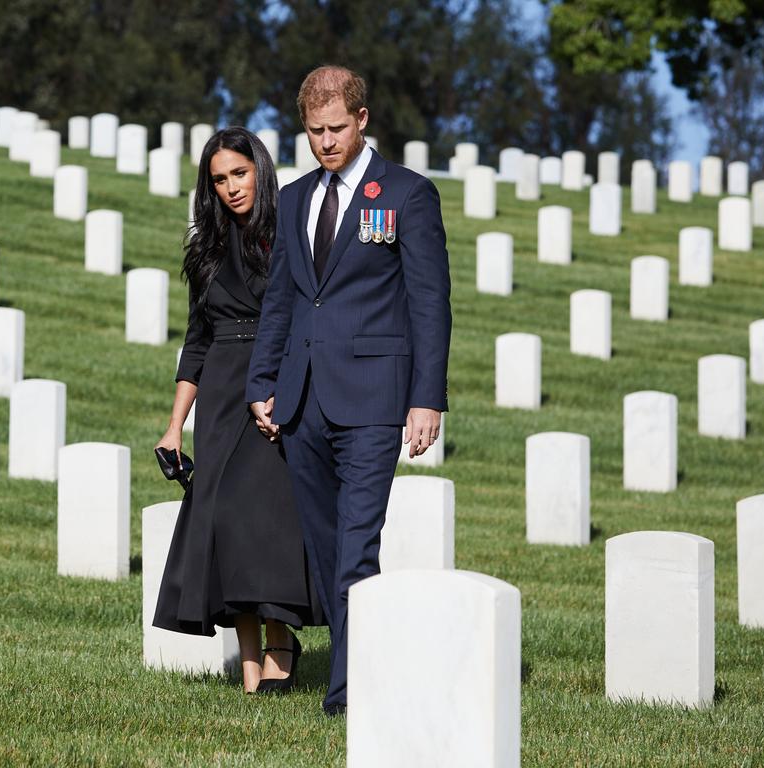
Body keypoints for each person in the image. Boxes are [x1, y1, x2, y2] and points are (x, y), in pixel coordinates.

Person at [246, 66, 452, 716]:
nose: (326, 142)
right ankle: (368, 665)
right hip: (302, 400)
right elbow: (281, 297)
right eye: (314, 132)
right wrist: (263, 381)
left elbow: (429, 300)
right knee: (328, 547)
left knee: (357, 545)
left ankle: (349, 693)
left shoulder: (407, 195)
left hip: (373, 400)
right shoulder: (299, 196)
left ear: (362, 120)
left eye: (337, 128)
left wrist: (428, 398)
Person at [153, 126, 323, 695]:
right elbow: (196, 341)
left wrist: (284, 384)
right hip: (222, 392)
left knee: (263, 522)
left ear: (261, 171)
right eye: (219, 179)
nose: (230, 187)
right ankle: (251, 669)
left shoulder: (289, 234)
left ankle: (281, 641)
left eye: (239, 173)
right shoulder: (205, 249)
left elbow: (305, 316)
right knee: (224, 522)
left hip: (272, 381)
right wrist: (175, 425)